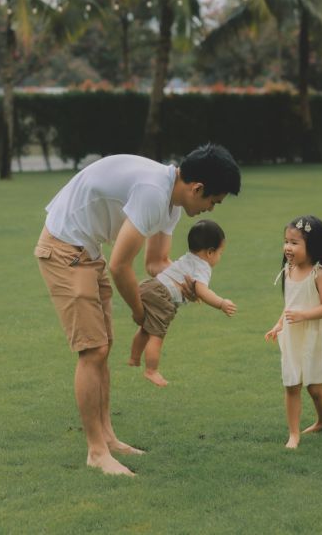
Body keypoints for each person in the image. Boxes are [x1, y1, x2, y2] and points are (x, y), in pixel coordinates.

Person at [35, 144, 241, 476]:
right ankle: (96, 452)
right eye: (212, 202)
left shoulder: (172, 202)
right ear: (197, 188)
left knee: (102, 349)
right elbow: (120, 266)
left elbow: (156, 263)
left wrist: (188, 285)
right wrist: (141, 312)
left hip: (87, 249)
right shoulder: (153, 193)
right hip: (63, 248)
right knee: (93, 350)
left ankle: (109, 438)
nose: (210, 209)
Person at [265, 215, 322, 449]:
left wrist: (303, 315)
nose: (288, 247)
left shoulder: (319, 273)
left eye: (295, 243)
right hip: (292, 335)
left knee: (315, 388)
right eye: (286, 241)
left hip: (314, 335)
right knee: (291, 384)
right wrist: (278, 325)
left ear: (312, 246)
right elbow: (289, 305)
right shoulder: (288, 270)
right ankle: (293, 434)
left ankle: (321, 421)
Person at [128, 219, 237, 387]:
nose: (219, 258)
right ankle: (151, 370)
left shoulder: (188, 258)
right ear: (210, 252)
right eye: (220, 253)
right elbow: (202, 290)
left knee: (146, 326)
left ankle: (134, 358)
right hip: (162, 296)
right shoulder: (203, 267)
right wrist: (221, 303)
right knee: (157, 334)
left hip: (150, 285)